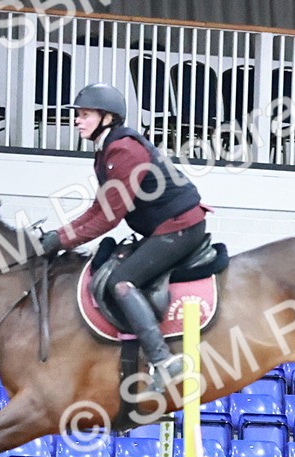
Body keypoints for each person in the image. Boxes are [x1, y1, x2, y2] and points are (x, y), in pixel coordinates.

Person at [36, 83, 209, 393]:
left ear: (107, 117)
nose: (77, 120)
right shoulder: (106, 151)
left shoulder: (124, 150)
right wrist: (58, 236)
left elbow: (108, 218)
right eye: (78, 115)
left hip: (180, 226)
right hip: (164, 226)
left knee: (122, 282)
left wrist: (61, 242)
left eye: (84, 115)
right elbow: (98, 208)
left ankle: (162, 360)